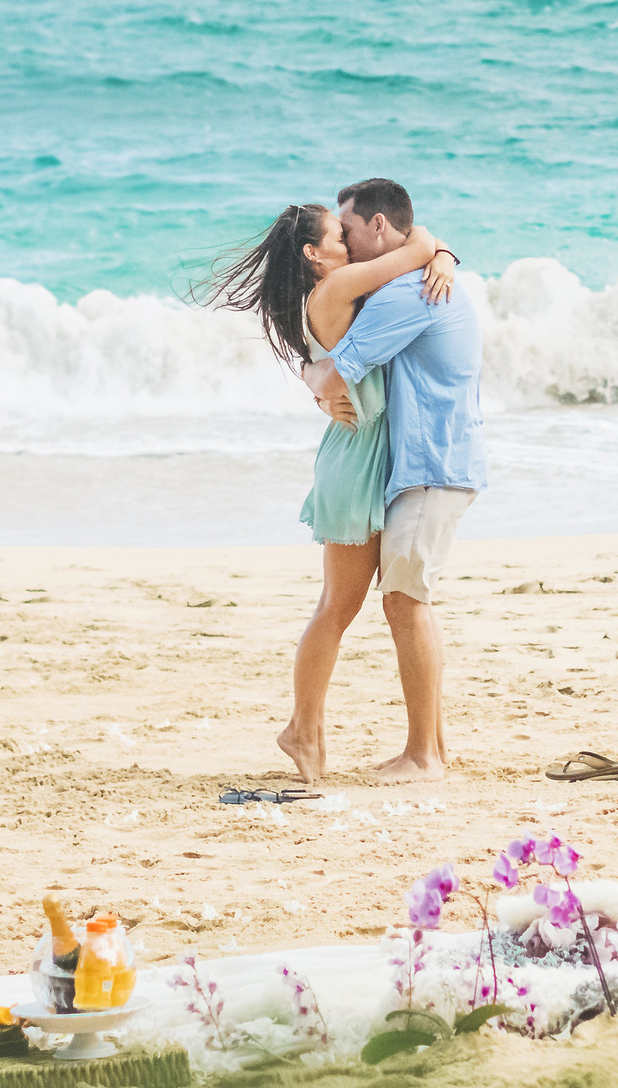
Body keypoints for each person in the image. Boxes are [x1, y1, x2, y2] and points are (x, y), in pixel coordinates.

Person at [206, 187, 460, 782]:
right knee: (336, 609)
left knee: (354, 606)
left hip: (366, 454)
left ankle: (361, 737)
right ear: (314, 255)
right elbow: (414, 245)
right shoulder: (337, 288)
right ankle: (302, 730)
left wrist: (440, 255)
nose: (349, 242)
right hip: (355, 462)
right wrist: (442, 254)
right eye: (337, 237)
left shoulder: (336, 291)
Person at [306, 178, 484, 784]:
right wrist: (436, 248)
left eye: (350, 231)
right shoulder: (419, 274)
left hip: (431, 465)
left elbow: (336, 374)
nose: (349, 247)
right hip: (435, 461)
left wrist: (318, 384)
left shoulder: (403, 293)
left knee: (406, 601)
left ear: (378, 227)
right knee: (411, 600)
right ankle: (432, 747)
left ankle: (424, 756)